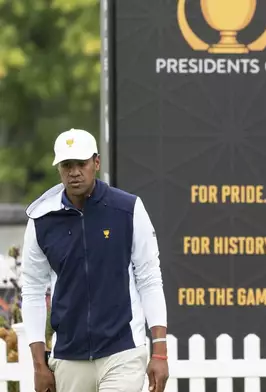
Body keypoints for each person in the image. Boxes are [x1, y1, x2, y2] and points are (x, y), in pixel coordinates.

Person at [20, 128, 169, 392]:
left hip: (123, 350)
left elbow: (149, 279)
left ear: (96, 163)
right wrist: (39, 365)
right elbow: (32, 290)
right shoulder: (41, 220)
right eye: (67, 165)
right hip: (69, 356)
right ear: (58, 169)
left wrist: (159, 353)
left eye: (81, 164)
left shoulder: (128, 209)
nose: (74, 172)